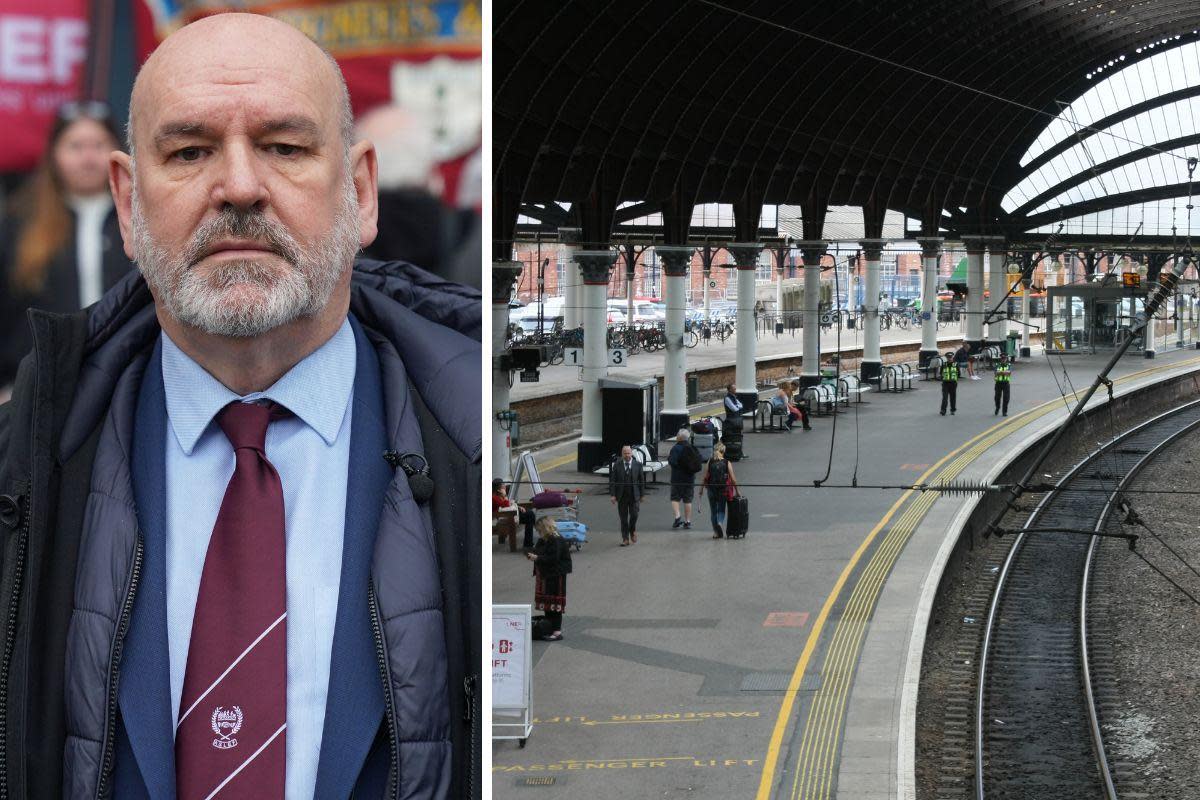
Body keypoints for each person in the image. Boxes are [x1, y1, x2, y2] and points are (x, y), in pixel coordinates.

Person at [0, 14, 481, 800]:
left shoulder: (466, 444)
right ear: (129, 202)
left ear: (360, 191)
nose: (240, 188)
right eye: (188, 152)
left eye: (285, 147)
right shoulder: (25, 465)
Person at [0, 101, 135, 389]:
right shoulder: (19, 225)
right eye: (75, 146)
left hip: (125, 379)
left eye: (99, 145)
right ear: (54, 156)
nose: (87, 158)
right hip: (35, 384)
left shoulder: (140, 220)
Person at [526, 517, 572, 641]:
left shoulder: (556, 539)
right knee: (547, 603)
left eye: (539, 530)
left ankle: (557, 632)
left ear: (544, 529)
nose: (538, 533)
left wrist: (537, 558)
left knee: (555, 604)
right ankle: (549, 628)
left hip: (556, 575)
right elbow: (537, 550)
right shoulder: (543, 540)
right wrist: (532, 554)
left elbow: (553, 558)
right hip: (546, 575)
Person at [698, 442, 739, 539]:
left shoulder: (710, 461)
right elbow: (733, 479)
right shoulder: (726, 462)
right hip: (723, 490)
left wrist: (701, 490)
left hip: (711, 490)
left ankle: (716, 532)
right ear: (723, 451)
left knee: (713, 511)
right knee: (721, 509)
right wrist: (737, 491)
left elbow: (704, 477)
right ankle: (720, 523)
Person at [609, 444, 644, 546]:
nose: (627, 455)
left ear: (631, 453)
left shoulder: (638, 465)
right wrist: (613, 495)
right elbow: (613, 481)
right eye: (625, 453)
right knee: (623, 519)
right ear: (622, 454)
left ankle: (632, 531)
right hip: (622, 496)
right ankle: (625, 539)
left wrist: (642, 495)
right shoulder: (617, 465)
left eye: (628, 453)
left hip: (634, 496)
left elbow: (641, 481)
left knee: (634, 515)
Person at [667, 428, 700, 529]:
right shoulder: (692, 448)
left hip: (677, 478)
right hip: (689, 478)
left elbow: (672, 462)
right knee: (688, 500)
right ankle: (687, 521)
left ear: (679, 437)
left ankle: (677, 516)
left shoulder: (675, 448)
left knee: (675, 498)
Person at [493, 477, 537, 549]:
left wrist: (519, 507)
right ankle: (528, 544)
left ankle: (528, 543)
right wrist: (504, 495)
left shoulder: (498, 495)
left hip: (509, 514)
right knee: (530, 516)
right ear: (498, 488)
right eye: (503, 485)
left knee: (530, 514)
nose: (504, 486)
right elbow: (506, 505)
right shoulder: (494, 498)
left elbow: (508, 504)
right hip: (507, 516)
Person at [940, 350, 960, 415]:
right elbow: (941, 373)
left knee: (953, 397)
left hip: (953, 383)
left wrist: (954, 378)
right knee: (945, 397)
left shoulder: (956, 364)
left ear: (952, 357)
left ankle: (953, 410)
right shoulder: (944, 364)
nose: (949, 358)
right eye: (948, 357)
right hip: (945, 383)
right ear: (946, 358)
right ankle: (943, 410)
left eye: (950, 357)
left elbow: (959, 373)